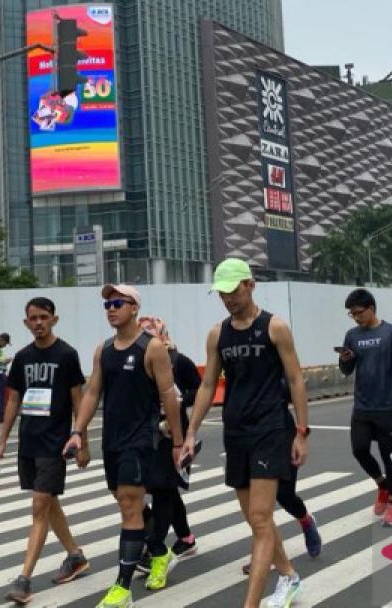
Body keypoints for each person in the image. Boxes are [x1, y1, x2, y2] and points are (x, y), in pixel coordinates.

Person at [182, 258, 311, 608]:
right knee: (257, 520)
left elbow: (297, 379)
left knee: (259, 516)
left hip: (270, 428)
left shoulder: (275, 327)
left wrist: (301, 431)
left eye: (232, 291)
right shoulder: (217, 334)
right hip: (235, 431)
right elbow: (208, 385)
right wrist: (191, 432)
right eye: (221, 294)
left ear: (250, 285)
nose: (227, 299)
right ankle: (289, 576)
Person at [62, 284, 183, 608]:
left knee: (130, 508)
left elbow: (169, 395)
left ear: (134, 308)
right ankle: (160, 552)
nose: (111, 308)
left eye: (117, 303)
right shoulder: (104, 350)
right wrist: (77, 431)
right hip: (112, 441)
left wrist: (178, 440)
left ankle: (122, 589)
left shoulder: (152, 347)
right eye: (107, 304)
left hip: (140, 440)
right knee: (123, 499)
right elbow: (91, 393)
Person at [0, 296, 91, 605]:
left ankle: (24, 580)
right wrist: (2, 440)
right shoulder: (21, 357)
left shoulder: (67, 355)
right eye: (33, 318)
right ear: (26, 322)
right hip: (29, 441)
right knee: (49, 504)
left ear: (54, 319)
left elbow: (79, 400)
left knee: (39, 508)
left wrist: (82, 441)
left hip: (55, 443)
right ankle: (75, 556)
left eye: (44, 317)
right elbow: (13, 401)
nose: (38, 323)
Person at [133, 315, 204, 587]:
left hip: (172, 433)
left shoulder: (178, 359)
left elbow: (198, 389)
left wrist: (177, 402)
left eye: (151, 333)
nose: (147, 339)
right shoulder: (138, 358)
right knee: (165, 488)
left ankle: (155, 546)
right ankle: (185, 538)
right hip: (146, 434)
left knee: (164, 489)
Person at [339, 288, 392, 526]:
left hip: (387, 406)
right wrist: (345, 359)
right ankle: (382, 485)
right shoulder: (352, 335)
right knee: (359, 449)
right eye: (352, 314)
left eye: (358, 312)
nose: (356, 317)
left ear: (371, 308)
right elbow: (346, 370)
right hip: (362, 406)